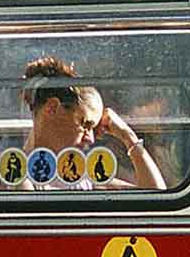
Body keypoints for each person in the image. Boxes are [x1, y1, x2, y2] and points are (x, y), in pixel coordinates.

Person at [20, 56, 164, 189]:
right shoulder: (11, 177)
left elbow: (157, 201)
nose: (91, 138)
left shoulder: (84, 180)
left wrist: (128, 137)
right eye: (85, 125)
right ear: (52, 108)